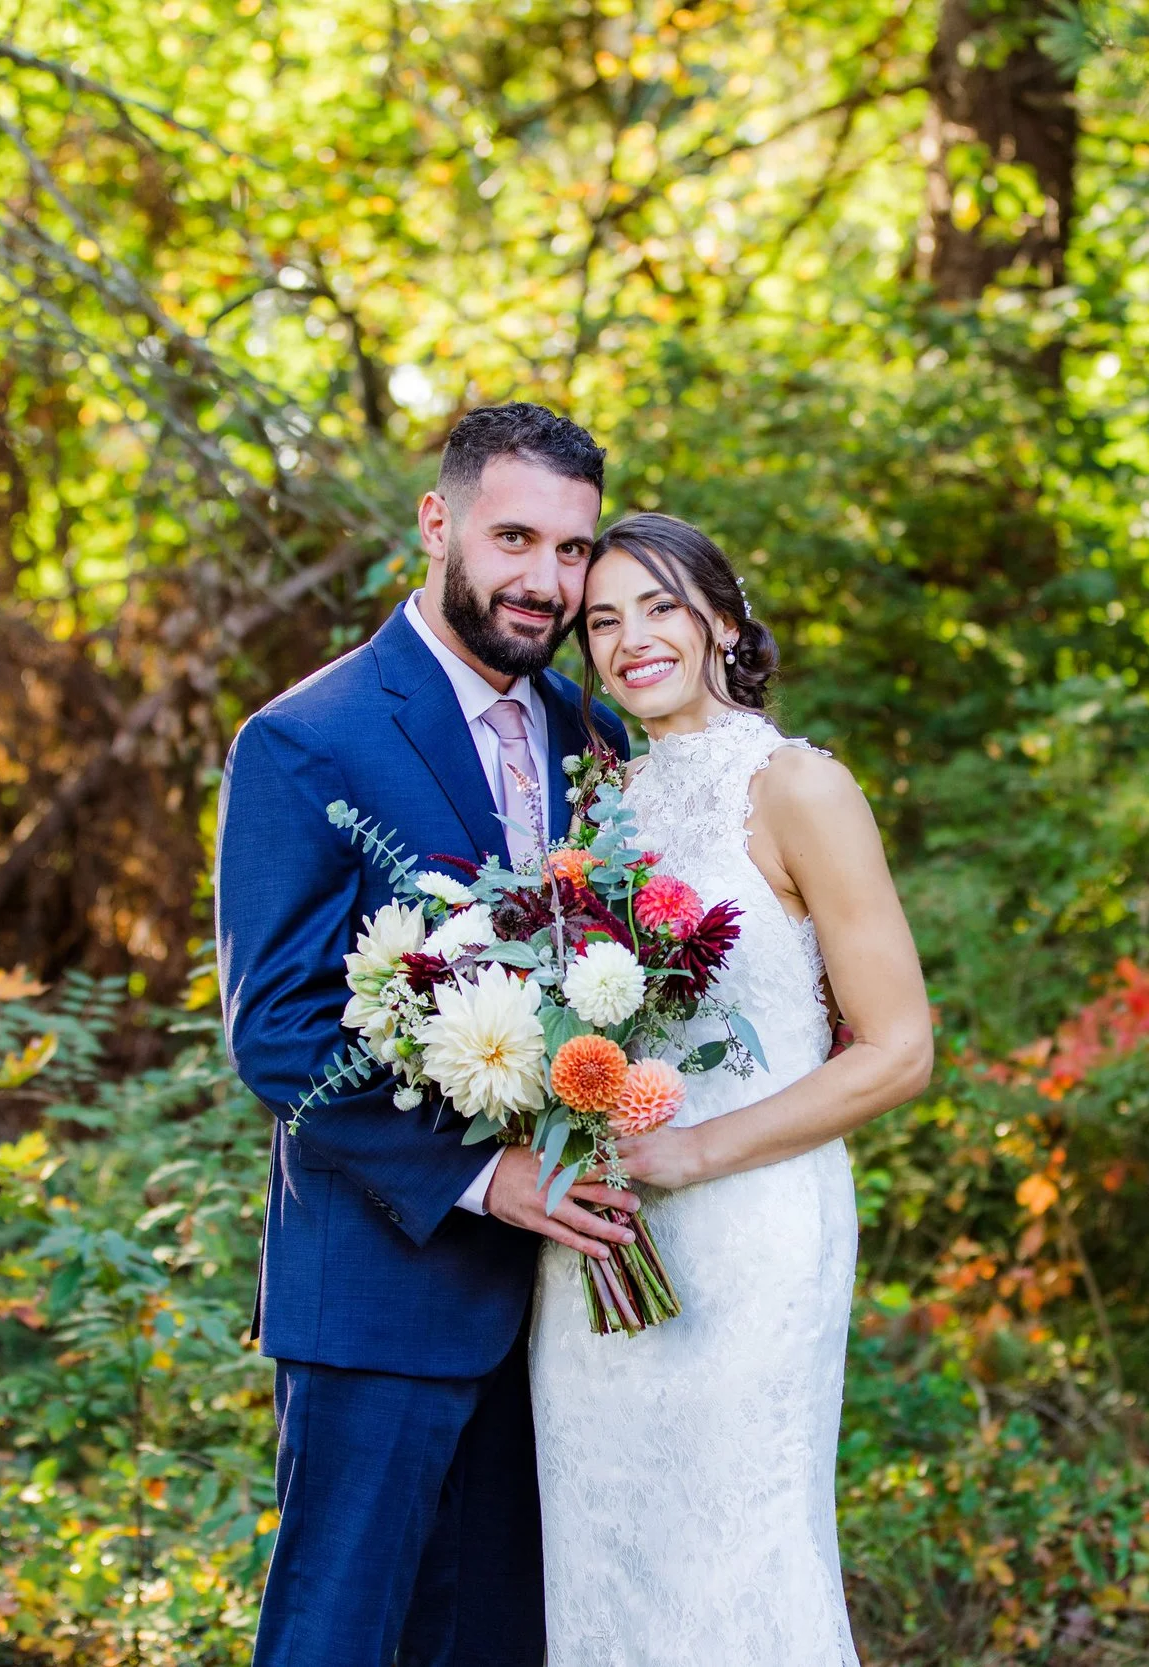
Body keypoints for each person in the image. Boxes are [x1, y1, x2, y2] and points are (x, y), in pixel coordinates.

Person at [214, 402, 638, 1666]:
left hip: (559, 1308)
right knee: (340, 1639)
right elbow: (281, 1035)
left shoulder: (592, 735)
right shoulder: (306, 738)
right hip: (382, 1294)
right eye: (516, 538)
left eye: (572, 551)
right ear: (437, 522)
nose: (545, 580)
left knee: (501, 1639)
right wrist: (484, 1176)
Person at [529, 512, 934, 1665]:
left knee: (735, 1552)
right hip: (602, 1236)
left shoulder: (798, 784)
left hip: (752, 1226)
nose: (629, 638)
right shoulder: (599, 805)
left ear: (719, 616)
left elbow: (897, 1048)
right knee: (606, 1551)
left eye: (657, 605)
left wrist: (692, 1154)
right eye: (601, 619)